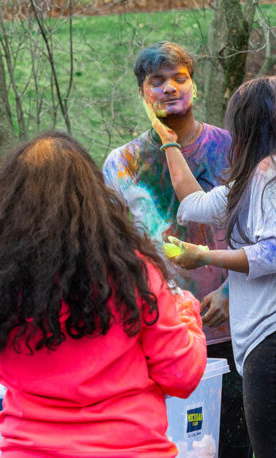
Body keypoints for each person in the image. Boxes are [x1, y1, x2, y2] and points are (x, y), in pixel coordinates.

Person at [0, 132, 207, 456]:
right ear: (93, 196)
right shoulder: (133, 273)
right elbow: (181, 375)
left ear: (6, 204)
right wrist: (188, 315)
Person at [156, 75, 276, 457]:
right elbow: (194, 205)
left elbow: (272, 254)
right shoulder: (275, 176)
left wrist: (202, 256)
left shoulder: (269, 174)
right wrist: (170, 142)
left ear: (252, 124)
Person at [102, 42, 250, 457]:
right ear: (142, 92)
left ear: (195, 86)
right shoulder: (121, 164)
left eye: (178, 78)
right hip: (156, 339)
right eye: (156, 81)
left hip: (233, 337)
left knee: (235, 447)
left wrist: (229, 293)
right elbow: (112, 251)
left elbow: (260, 238)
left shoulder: (233, 150)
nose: (169, 89)